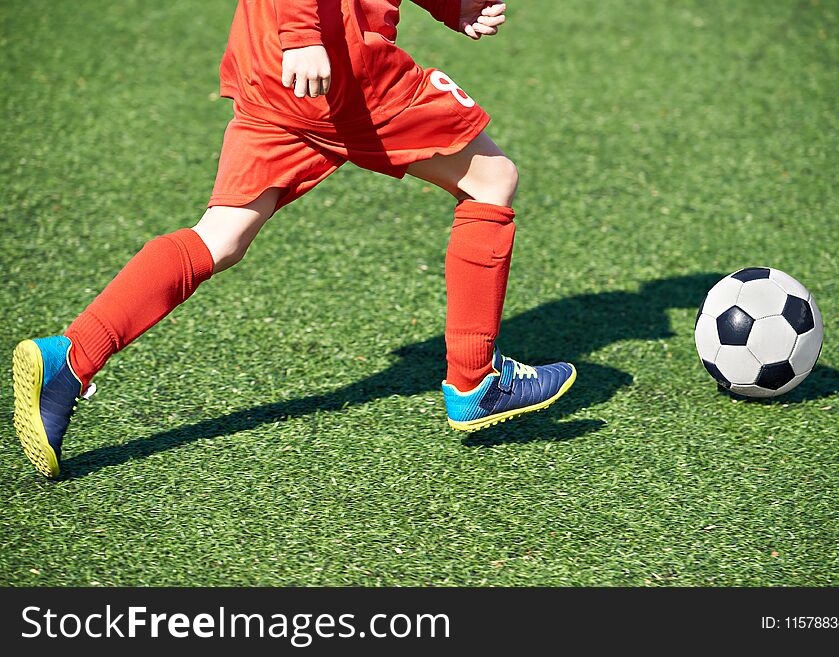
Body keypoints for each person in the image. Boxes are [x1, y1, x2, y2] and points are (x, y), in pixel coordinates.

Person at [11, 0, 576, 479]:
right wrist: (303, 35)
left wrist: (450, 4)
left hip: (270, 58)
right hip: (330, 60)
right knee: (491, 179)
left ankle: (70, 357)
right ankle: (476, 380)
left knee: (222, 235)